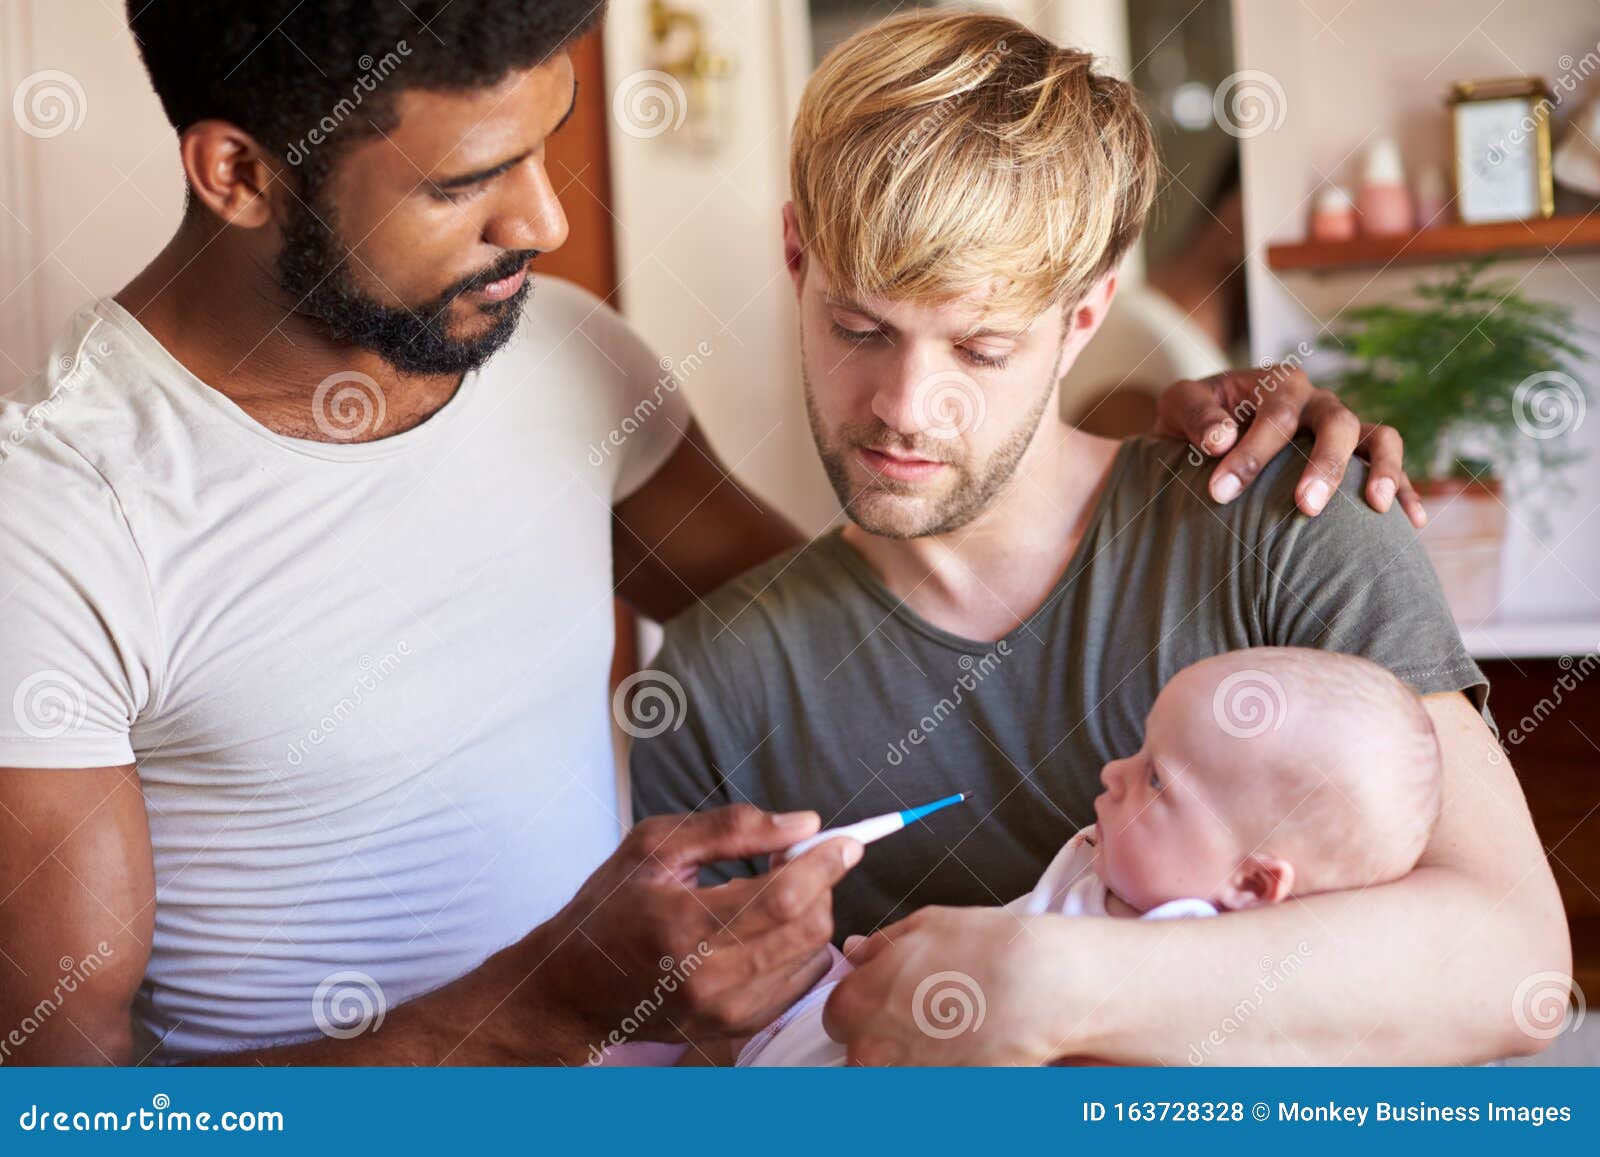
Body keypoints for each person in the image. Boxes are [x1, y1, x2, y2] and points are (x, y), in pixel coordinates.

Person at [0, 1, 1418, 1065]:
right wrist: (547, 998)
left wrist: (1121, 422)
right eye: (460, 185)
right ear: (240, 174)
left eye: (545, 146)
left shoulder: (554, 352)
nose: (547, 219)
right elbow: (69, 1114)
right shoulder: (55, 519)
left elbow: (866, 584)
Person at [630, 10, 1569, 1066]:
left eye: (981, 347)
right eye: (860, 329)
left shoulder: (1287, 524)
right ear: (796, 255)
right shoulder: (714, 684)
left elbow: (1517, 969)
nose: (905, 406)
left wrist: (1055, 980)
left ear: (1084, 315)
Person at [704, 647, 1444, 1067]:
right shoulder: (1117, 870)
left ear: (1250, 881)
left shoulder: (1184, 964)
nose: (1113, 773)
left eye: (1156, 777)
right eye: (1141, 749)